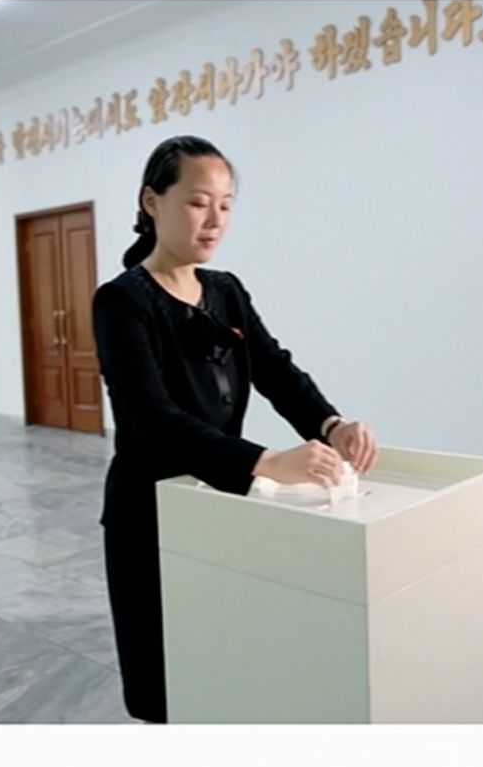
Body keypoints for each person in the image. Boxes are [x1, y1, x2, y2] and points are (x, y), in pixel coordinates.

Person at [91, 135, 377, 723]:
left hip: (219, 502)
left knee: (220, 655)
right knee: (163, 675)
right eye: (199, 202)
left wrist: (331, 423)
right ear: (152, 201)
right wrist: (265, 461)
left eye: (226, 203)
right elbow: (149, 417)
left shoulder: (226, 291)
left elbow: (275, 368)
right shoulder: (121, 302)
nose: (215, 219)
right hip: (150, 509)